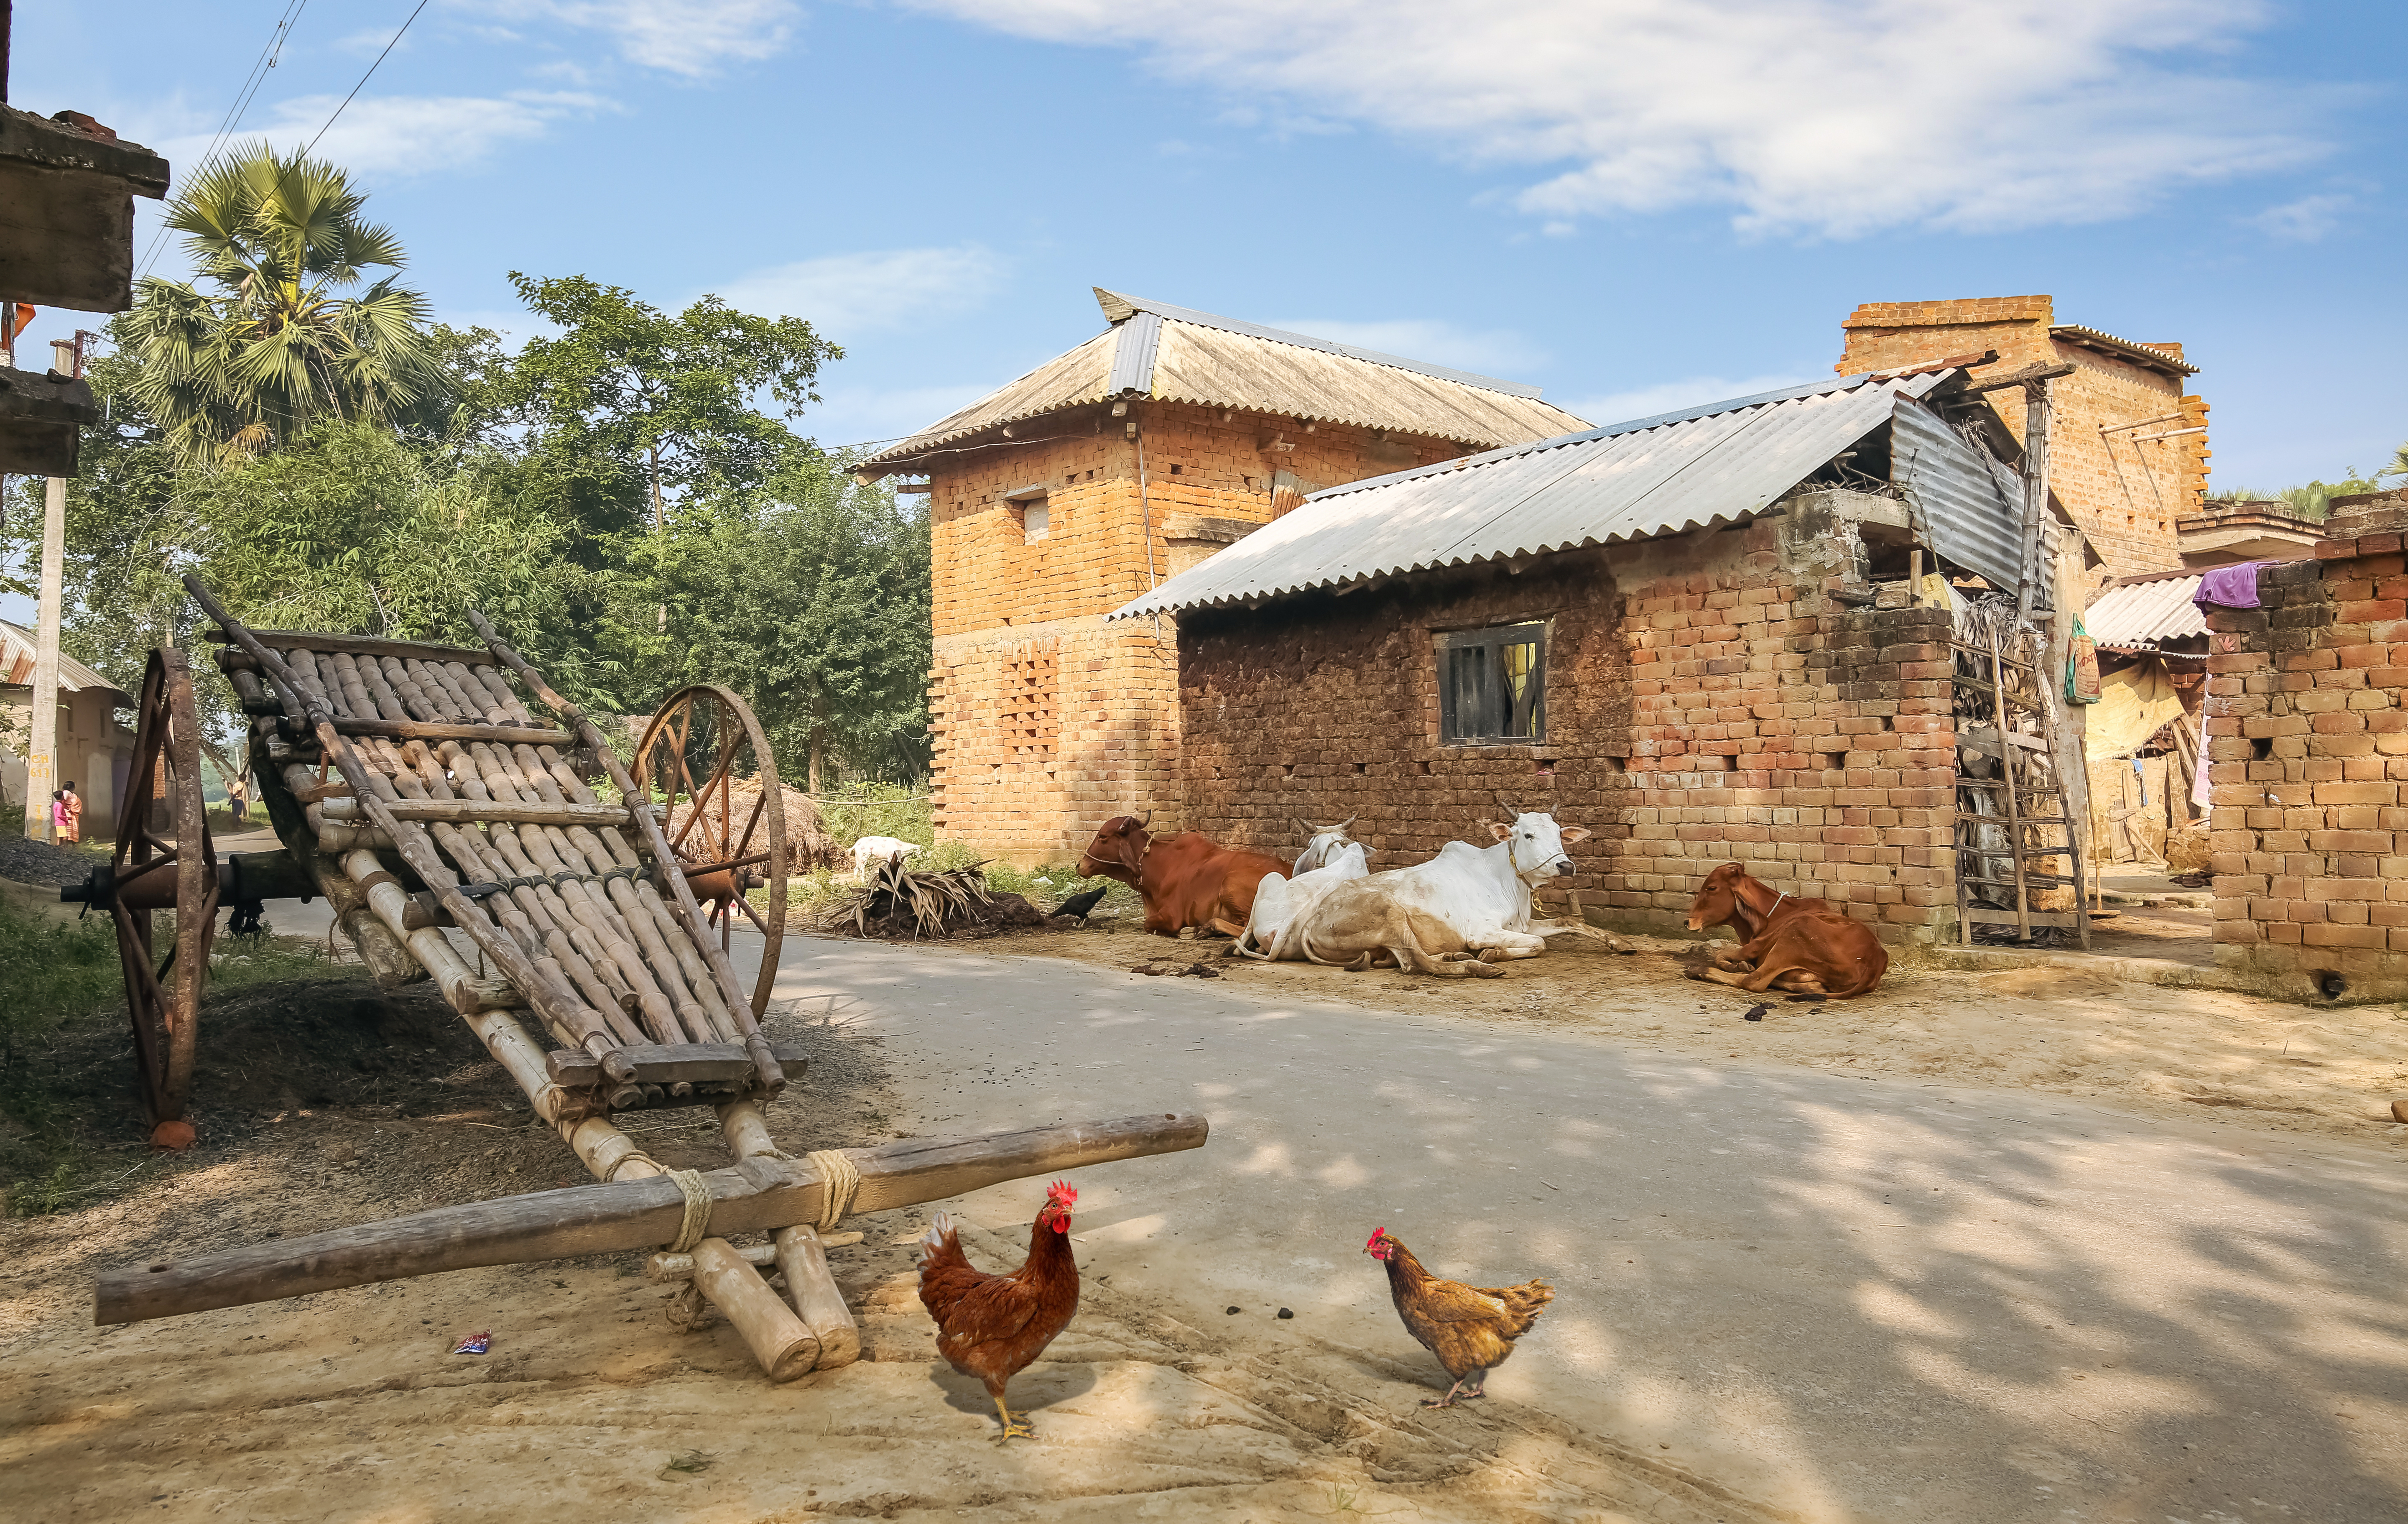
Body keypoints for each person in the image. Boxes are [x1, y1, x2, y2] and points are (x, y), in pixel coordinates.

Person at [59, 780, 81, 845]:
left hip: (72, 813)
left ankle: (72, 847)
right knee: (67, 831)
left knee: (71, 830)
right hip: (68, 813)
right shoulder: (66, 792)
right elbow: (63, 801)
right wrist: (68, 808)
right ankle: (64, 848)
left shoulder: (71, 793)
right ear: (72, 787)